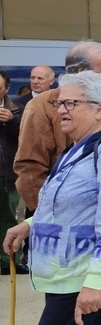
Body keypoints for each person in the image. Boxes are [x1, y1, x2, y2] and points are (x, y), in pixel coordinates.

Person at [14, 40, 101, 325]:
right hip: (69, 269)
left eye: (70, 103)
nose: (60, 109)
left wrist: (95, 283)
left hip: (81, 273)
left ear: (100, 109)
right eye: (60, 102)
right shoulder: (79, 148)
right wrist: (30, 224)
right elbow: (68, 202)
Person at [0, 70, 26, 275]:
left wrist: (12, 122)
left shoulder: (17, 110)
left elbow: (27, 138)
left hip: (7, 175)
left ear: (6, 89)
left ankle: (9, 261)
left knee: (9, 219)